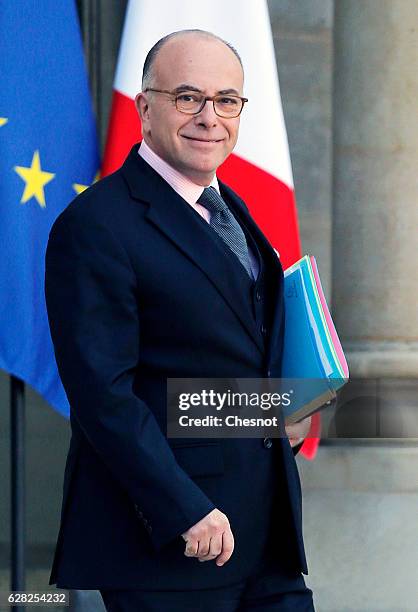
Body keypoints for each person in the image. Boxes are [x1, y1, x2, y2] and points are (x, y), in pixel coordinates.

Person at [45, 29, 314, 611]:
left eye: (225, 101)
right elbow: (104, 396)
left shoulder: (232, 209)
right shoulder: (96, 225)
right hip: (171, 547)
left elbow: (214, 363)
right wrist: (183, 508)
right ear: (144, 108)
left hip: (266, 538)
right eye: (187, 97)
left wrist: (281, 410)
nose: (208, 118)